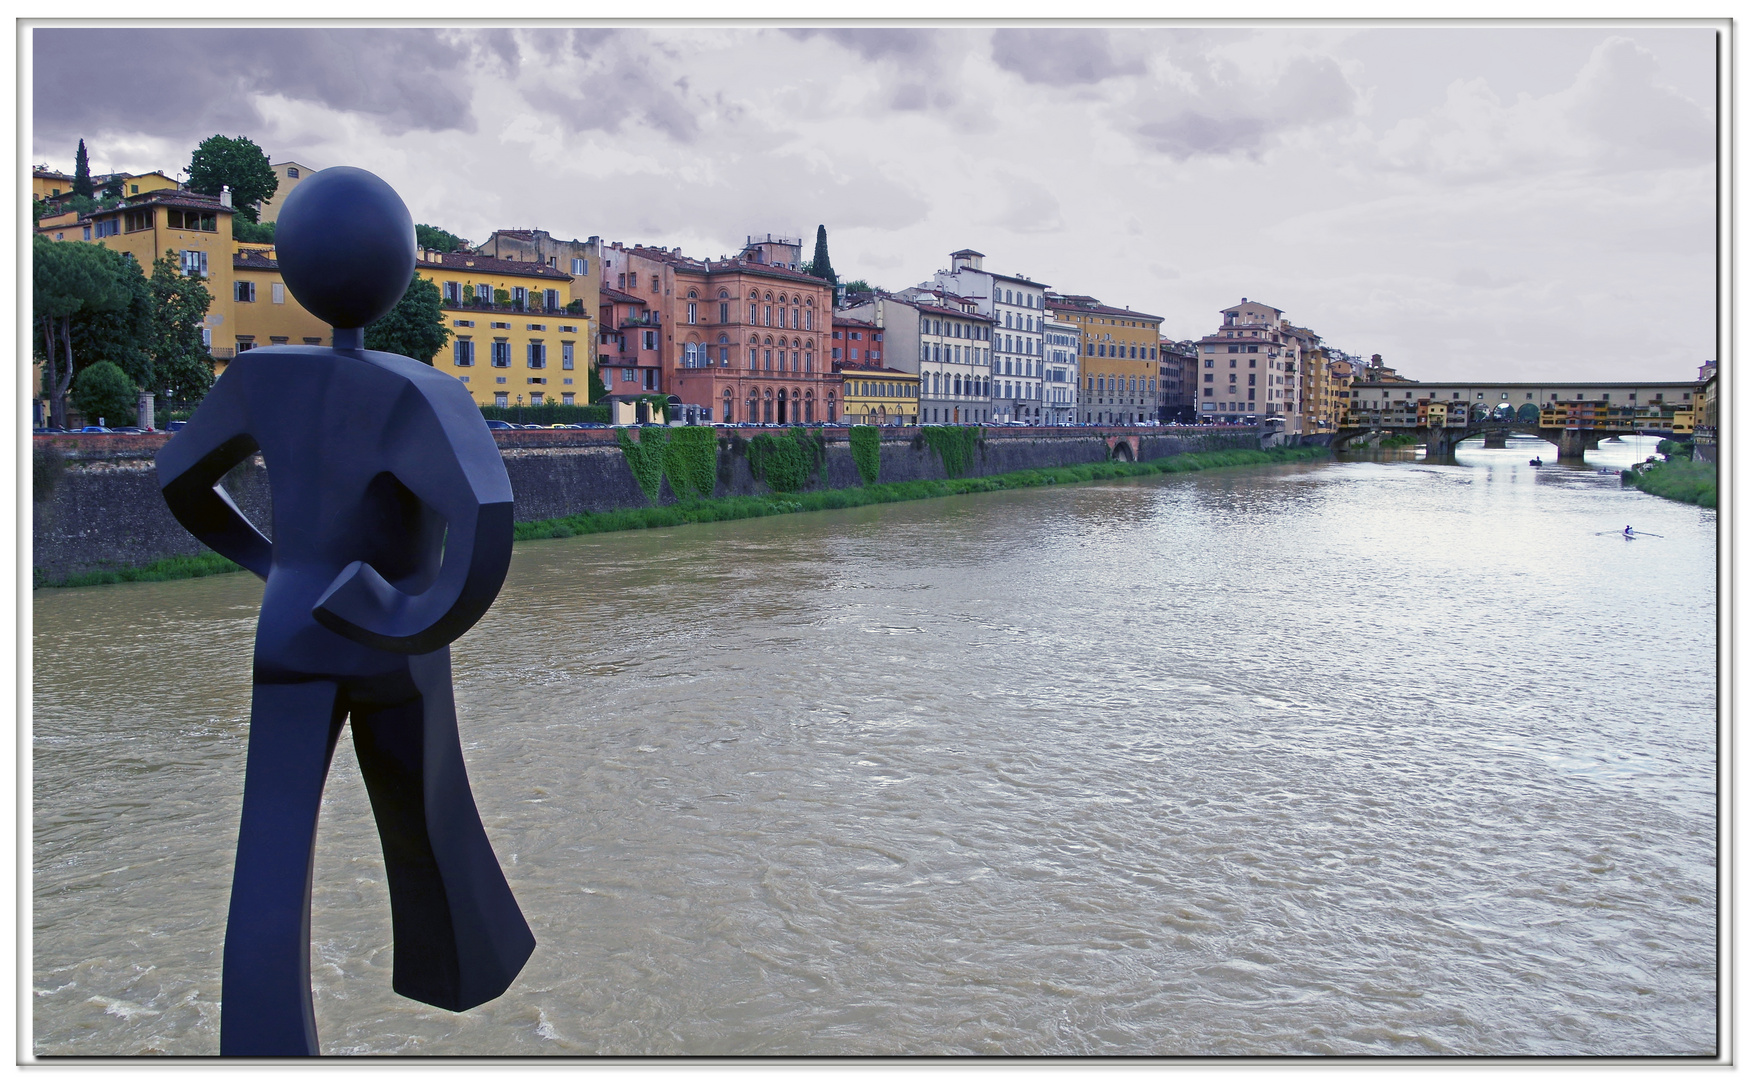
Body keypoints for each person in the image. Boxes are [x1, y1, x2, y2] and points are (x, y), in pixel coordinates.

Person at [157, 167, 533, 1057]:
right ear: (397, 265)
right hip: (384, 635)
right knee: (429, 814)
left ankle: (263, 1046)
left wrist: (271, 565)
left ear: (293, 266)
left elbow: (180, 482)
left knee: (269, 862)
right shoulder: (411, 389)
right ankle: (458, 971)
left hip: (291, 628)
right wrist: (411, 621)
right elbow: (485, 525)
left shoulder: (263, 377)